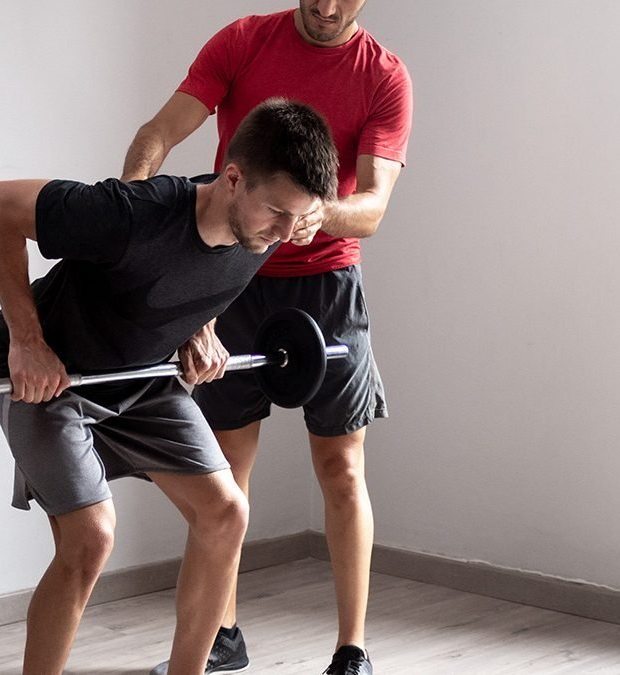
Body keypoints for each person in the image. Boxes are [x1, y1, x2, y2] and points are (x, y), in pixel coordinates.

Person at [0, 99, 338, 675]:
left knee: (226, 514)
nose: (287, 235)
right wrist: (27, 341)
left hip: (140, 376)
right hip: (51, 377)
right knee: (90, 537)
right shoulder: (131, 213)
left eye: (302, 217)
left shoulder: (268, 227)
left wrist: (203, 329)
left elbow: (198, 273)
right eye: (276, 213)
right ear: (234, 179)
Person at [123, 3, 413, 674]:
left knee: (342, 468)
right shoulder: (245, 41)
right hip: (234, 279)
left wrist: (316, 210)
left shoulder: (383, 77)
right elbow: (159, 131)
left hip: (327, 287)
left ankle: (352, 649)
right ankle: (221, 635)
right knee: (225, 472)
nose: (327, 6)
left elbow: (371, 205)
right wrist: (131, 206)